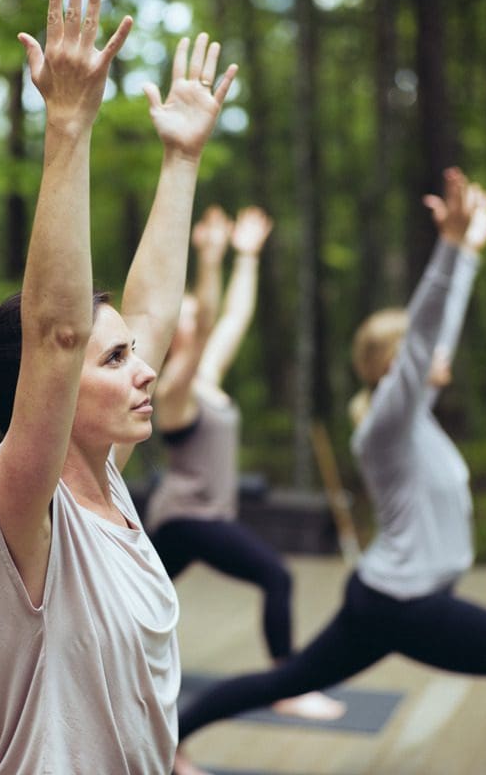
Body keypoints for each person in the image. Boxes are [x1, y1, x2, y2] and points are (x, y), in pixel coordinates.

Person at [0, 0, 236, 772]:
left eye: (134, 356)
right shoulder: (24, 506)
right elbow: (59, 336)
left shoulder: (109, 485)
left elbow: (152, 309)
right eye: (117, 360)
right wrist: (68, 123)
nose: (145, 373)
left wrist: (182, 159)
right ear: (46, 391)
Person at [174, 168, 486, 775]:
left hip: (386, 598)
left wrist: (468, 256)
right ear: (392, 364)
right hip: (405, 606)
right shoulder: (387, 426)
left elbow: (437, 334)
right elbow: (426, 337)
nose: (441, 356)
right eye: (419, 351)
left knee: (291, 677)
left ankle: (168, 734)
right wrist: (451, 251)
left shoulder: (414, 422)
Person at [146, 204, 344, 721]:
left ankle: (87, 657)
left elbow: (234, 317)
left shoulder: (206, 373)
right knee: (276, 576)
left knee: (133, 601)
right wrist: (209, 261)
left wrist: (248, 257)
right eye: (187, 315)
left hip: (196, 520)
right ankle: (289, 683)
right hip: (187, 518)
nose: (197, 318)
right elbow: (213, 317)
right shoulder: (173, 387)